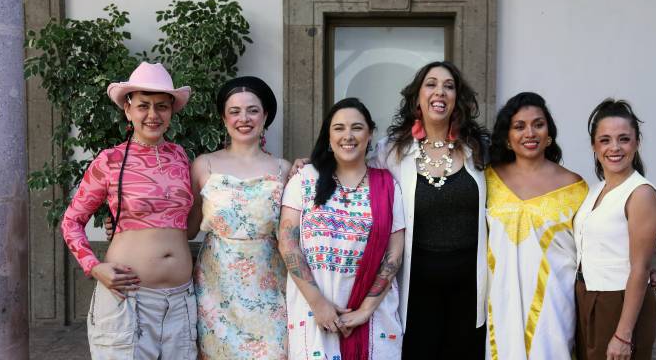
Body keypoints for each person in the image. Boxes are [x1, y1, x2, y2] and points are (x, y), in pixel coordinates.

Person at [60, 62, 197, 359]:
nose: (152, 115)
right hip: (128, 299)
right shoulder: (109, 160)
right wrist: (93, 266)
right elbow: (71, 221)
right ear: (127, 109)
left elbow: (184, 219)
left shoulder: (181, 157)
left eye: (162, 106)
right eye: (143, 106)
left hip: (180, 303)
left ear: (171, 111)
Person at [371, 61, 489, 359]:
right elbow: (355, 174)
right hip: (416, 283)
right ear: (417, 98)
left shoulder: (480, 148)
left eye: (449, 86)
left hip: (469, 285)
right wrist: (313, 165)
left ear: (457, 99)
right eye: (431, 84)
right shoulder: (391, 150)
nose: (440, 92)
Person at [279, 97, 405, 359]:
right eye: (339, 128)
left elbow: (394, 255)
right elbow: (288, 242)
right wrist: (319, 304)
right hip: (314, 312)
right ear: (328, 136)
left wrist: (365, 311)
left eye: (357, 128)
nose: (348, 135)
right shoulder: (305, 179)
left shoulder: (388, 186)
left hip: (374, 317)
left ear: (370, 134)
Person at [187, 77, 291, 359]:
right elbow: (186, 229)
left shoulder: (284, 169)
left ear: (265, 115)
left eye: (252, 110)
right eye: (234, 111)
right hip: (215, 288)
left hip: (269, 285)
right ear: (224, 118)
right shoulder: (203, 164)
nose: (243, 118)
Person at [485, 92, 587, 359]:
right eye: (519, 126)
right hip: (499, 299)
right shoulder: (487, 181)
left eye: (538, 124)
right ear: (507, 137)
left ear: (549, 133)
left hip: (553, 303)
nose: (529, 133)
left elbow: (592, 245)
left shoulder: (574, 187)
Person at [573, 99, 656, 360]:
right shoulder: (595, 191)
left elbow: (639, 268)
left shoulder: (641, 193)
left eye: (624, 139)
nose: (614, 148)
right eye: (605, 140)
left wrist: (623, 335)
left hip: (617, 301)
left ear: (637, 143)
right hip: (586, 296)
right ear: (594, 146)